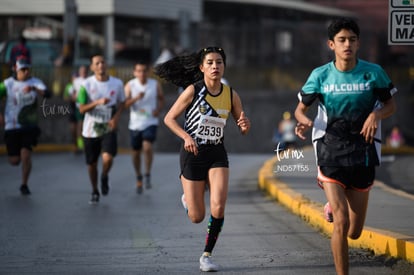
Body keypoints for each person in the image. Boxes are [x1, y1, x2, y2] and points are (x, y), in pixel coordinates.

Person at [294, 18, 397, 275]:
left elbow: (390, 105)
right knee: (341, 222)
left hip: (364, 150)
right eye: (341, 40)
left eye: (351, 39)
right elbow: (299, 109)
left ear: (358, 43)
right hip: (331, 149)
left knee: (354, 231)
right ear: (331, 44)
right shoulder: (320, 75)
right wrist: (303, 121)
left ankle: (333, 204)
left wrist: (376, 116)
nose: (347, 44)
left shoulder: (374, 73)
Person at [155, 46, 250, 272]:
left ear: (224, 66)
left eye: (219, 62)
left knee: (218, 204)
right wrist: (186, 136)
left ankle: (206, 255)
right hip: (193, 153)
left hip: (217, 153)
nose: (215, 66)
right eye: (210, 63)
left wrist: (245, 125)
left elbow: (242, 125)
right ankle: (188, 200)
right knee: (197, 216)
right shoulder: (193, 91)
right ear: (202, 67)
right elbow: (169, 119)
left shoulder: (231, 95)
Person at [77, 55, 125, 204]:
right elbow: (82, 109)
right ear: (92, 67)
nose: (100, 65)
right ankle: (94, 190)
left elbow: (122, 102)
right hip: (90, 130)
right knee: (91, 164)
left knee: (108, 158)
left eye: (103, 62)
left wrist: (116, 117)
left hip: (108, 128)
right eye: (97, 63)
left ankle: (104, 175)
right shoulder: (86, 85)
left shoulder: (117, 83)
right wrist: (97, 102)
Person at [0, 57, 47, 195]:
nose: (26, 72)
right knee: (14, 161)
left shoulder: (35, 82)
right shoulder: (7, 84)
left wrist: (34, 89)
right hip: (12, 125)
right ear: (16, 69)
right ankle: (19, 160)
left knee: (26, 154)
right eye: (23, 69)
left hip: (29, 125)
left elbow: (47, 93)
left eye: (28, 69)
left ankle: (24, 184)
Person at [124, 61, 165, 193]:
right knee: (135, 152)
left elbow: (161, 99)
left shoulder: (154, 84)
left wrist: (158, 110)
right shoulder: (130, 85)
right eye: (139, 71)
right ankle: (138, 175)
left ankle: (147, 173)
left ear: (148, 72)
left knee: (147, 146)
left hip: (150, 121)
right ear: (135, 72)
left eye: (144, 71)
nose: (142, 74)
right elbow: (124, 105)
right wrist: (135, 98)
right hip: (135, 123)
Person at [64, 65, 88, 153]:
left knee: (80, 126)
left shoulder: (89, 80)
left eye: (85, 70)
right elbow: (69, 96)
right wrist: (73, 98)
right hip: (74, 108)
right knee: (73, 128)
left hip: (83, 107)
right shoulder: (73, 84)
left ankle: (81, 145)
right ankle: (76, 144)